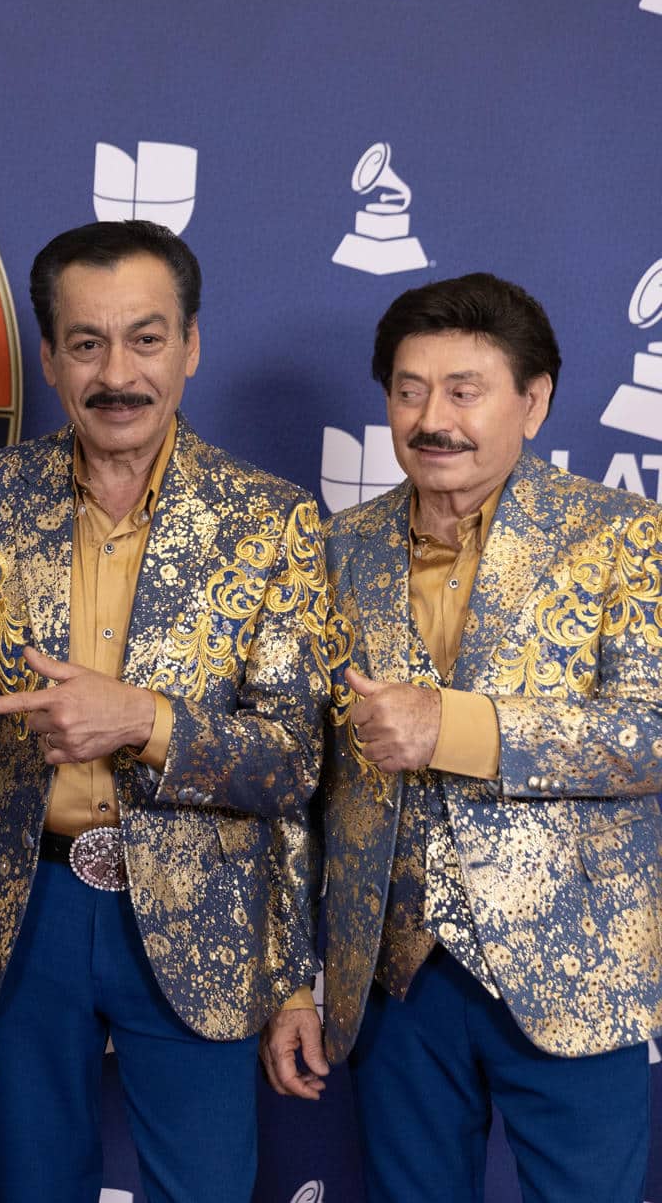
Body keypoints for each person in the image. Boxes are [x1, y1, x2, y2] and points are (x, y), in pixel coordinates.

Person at [0, 219, 332, 1203]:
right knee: (29, 1184)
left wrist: (145, 720)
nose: (119, 372)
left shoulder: (272, 520)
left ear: (190, 348)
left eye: (147, 339)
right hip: (24, 915)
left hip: (204, 910)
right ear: (51, 357)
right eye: (88, 342)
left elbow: (293, 763)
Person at [263, 272, 661, 1202]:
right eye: (409, 390)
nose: (432, 417)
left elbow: (651, 729)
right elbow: (296, 778)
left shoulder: (625, 538)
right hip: (398, 983)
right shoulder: (334, 549)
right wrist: (290, 979)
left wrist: (457, 726)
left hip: (574, 973)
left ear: (535, 399)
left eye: (464, 390)